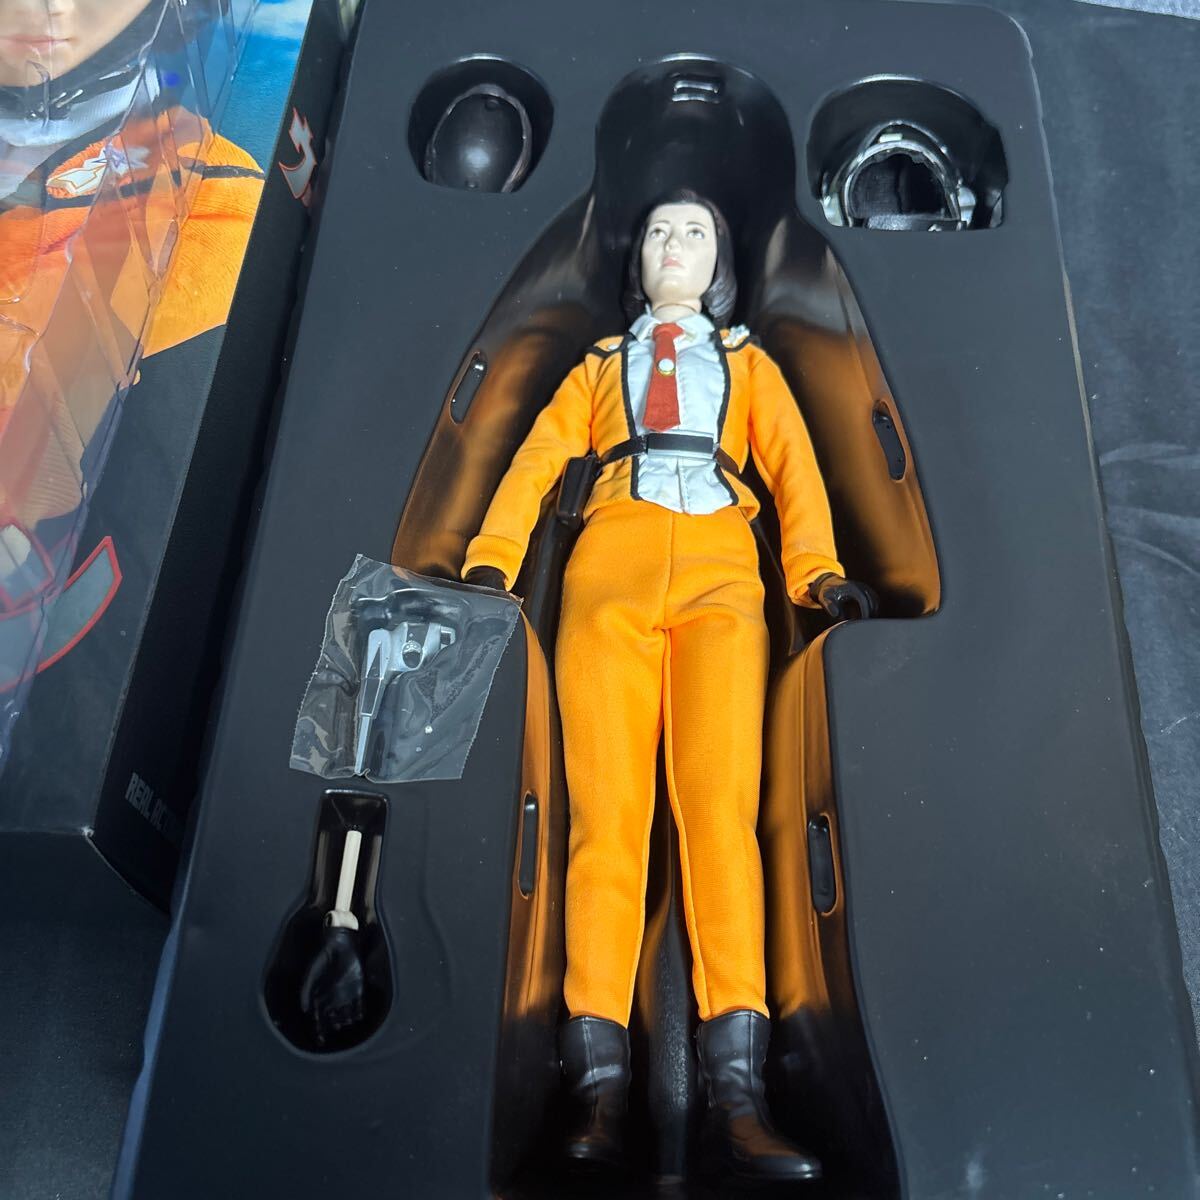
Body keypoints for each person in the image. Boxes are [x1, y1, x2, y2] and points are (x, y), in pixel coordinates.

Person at [462, 188, 875, 1184]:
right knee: (605, 819)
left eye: (695, 232)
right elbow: (536, 457)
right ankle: (598, 1086)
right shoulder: (598, 366)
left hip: (724, 568)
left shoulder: (749, 364)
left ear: (720, 260)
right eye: (658, 232)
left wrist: (815, 571)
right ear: (635, 258)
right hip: (610, 556)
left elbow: (795, 466)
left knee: (720, 815)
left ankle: (740, 1095)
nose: (675, 245)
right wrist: (494, 553)